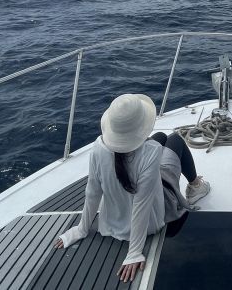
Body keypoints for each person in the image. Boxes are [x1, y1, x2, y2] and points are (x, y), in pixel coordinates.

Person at [54, 94, 210, 283]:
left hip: (112, 221)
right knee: (175, 139)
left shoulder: (98, 147)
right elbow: (141, 204)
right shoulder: (151, 151)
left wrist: (81, 228)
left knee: (160, 137)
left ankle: (193, 185)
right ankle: (195, 187)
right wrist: (134, 251)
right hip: (151, 218)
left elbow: (92, 192)